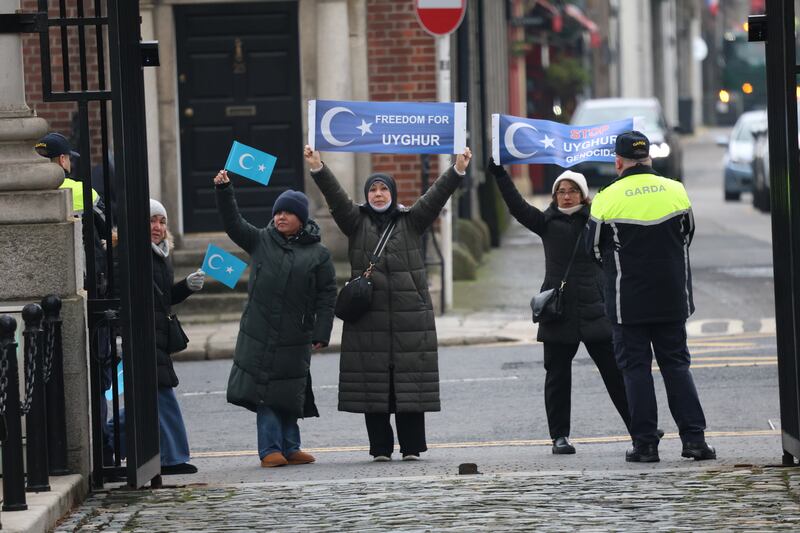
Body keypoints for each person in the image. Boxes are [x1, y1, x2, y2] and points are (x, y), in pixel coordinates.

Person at [304, 144, 472, 461]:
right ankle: (380, 447)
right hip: (369, 320)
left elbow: (436, 196)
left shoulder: (412, 220)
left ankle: (411, 447)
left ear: (392, 193)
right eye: (373, 190)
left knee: (409, 386)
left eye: (383, 189)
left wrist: (457, 168)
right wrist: (318, 167)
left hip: (411, 321)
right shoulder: (355, 222)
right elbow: (336, 199)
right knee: (374, 388)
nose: (378, 194)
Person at [586, 130, 716, 463]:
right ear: (650, 158)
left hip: (627, 301)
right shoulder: (676, 190)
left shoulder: (606, 197)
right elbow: (687, 235)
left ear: (618, 162)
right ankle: (694, 441)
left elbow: (594, 250)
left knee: (635, 371)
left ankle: (645, 445)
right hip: (672, 296)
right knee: (677, 366)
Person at [488, 161, 631, 454]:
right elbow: (517, 207)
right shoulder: (546, 222)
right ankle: (559, 437)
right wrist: (501, 175)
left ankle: (640, 428)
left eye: (572, 191)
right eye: (561, 192)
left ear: (583, 195)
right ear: (554, 197)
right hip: (559, 310)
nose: (566, 196)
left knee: (616, 373)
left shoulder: (597, 220)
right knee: (557, 376)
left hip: (595, 306)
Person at [214, 171, 337, 468]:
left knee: (289, 390)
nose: (281, 217)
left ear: (301, 218)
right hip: (259, 330)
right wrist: (224, 191)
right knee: (265, 391)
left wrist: (322, 330)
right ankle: (269, 449)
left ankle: (291, 447)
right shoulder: (260, 240)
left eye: (288, 213)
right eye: (278, 212)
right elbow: (233, 224)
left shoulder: (318, 254)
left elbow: (327, 294)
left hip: (296, 333)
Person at [150, 198, 205, 474]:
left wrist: (186, 286)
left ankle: (169, 456)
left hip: (158, 333)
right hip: (143, 335)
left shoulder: (161, 255)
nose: (157, 227)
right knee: (161, 394)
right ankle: (172, 458)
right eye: (151, 220)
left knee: (156, 394)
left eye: (162, 222)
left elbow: (164, 298)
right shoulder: (131, 253)